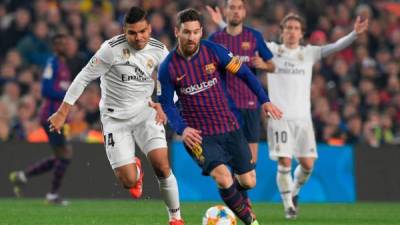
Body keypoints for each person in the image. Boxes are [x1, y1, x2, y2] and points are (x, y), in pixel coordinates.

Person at [207, 9, 369, 219]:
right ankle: (288, 206)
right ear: (282, 32)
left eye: (296, 29)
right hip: (279, 117)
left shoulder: (308, 53)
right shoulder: (272, 50)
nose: (292, 32)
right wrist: (222, 23)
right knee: (284, 162)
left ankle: (294, 193)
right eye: (288, 28)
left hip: (303, 120)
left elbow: (333, 48)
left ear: (302, 33)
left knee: (308, 165)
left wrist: (354, 34)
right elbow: (240, 37)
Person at [47, 7, 184, 225]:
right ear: (124, 31)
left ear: (149, 28)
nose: (138, 37)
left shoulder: (159, 50)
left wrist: (165, 106)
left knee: (162, 165)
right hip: (115, 119)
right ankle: (135, 171)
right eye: (132, 33)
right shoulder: (110, 50)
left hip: (146, 112)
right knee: (128, 181)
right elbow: (83, 77)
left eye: (142, 31)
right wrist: (63, 111)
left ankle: (176, 218)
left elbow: (171, 83)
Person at [158, 8, 282, 225]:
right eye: (186, 32)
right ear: (177, 32)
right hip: (198, 135)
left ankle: (235, 196)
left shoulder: (215, 52)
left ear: (201, 31)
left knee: (249, 181)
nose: (191, 37)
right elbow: (167, 105)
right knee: (223, 178)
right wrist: (182, 129)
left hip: (229, 126)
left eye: (196, 32)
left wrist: (265, 100)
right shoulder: (167, 67)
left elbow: (244, 73)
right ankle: (251, 222)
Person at [207, 0, 275, 164]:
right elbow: (206, 66)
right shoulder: (215, 38)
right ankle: (234, 189)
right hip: (226, 107)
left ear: (244, 12)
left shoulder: (254, 36)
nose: (236, 11)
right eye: (232, 8)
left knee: (251, 162)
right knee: (229, 158)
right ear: (225, 11)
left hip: (250, 105)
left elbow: (273, 66)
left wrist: (263, 65)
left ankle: (241, 189)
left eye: (239, 8)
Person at [9, 33, 72, 205]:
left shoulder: (64, 66)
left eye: (65, 43)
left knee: (62, 156)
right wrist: (69, 95)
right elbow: (45, 90)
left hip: (59, 118)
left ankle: (22, 176)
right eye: (59, 43)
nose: (64, 46)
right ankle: (51, 195)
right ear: (54, 47)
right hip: (50, 116)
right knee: (65, 154)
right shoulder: (52, 63)